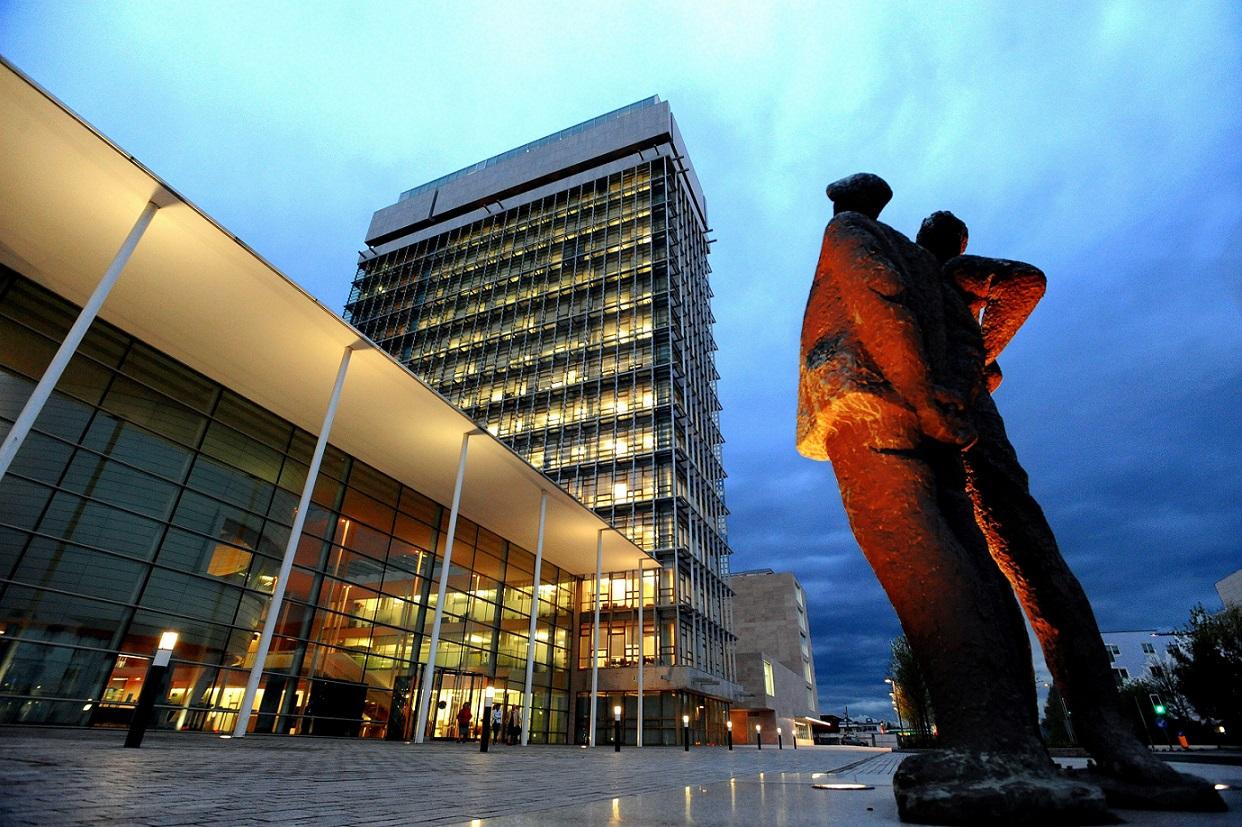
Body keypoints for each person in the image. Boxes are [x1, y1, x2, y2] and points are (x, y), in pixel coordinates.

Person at [798, 173, 1106, 824]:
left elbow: (881, 303)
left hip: (872, 398)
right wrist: (959, 375)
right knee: (969, 557)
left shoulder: (854, 232)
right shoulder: (931, 267)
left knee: (921, 558)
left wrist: (924, 386)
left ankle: (992, 746)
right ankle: (1010, 740)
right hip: (927, 409)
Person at [916, 210, 1223, 811]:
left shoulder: (948, 272)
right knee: (982, 567)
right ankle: (1023, 740)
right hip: (938, 427)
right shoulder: (923, 287)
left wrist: (975, 356)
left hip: (967, 428)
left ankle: (1104, 737)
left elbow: (1024, 281)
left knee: (1021, 557)